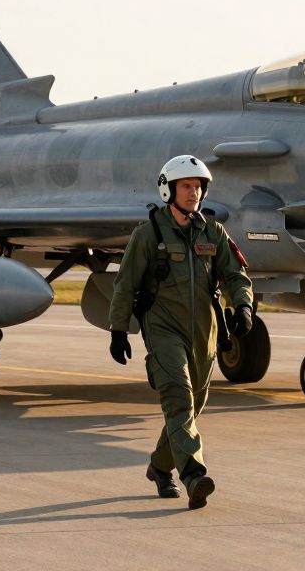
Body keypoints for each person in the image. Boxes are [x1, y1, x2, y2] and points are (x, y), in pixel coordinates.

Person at [108, 155, 255, 509]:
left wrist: (244, 305)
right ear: (169, 190)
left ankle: (160, 467)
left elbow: (234, 274)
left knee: (192, 406)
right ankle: (193, 475)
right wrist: (118, 329)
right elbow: (125, 284)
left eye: (198, 186)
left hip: (204, 333)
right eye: (186, 186)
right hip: (163, 329)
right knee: (178, 396)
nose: (194, 193)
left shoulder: (213, 232)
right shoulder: (148, 235)